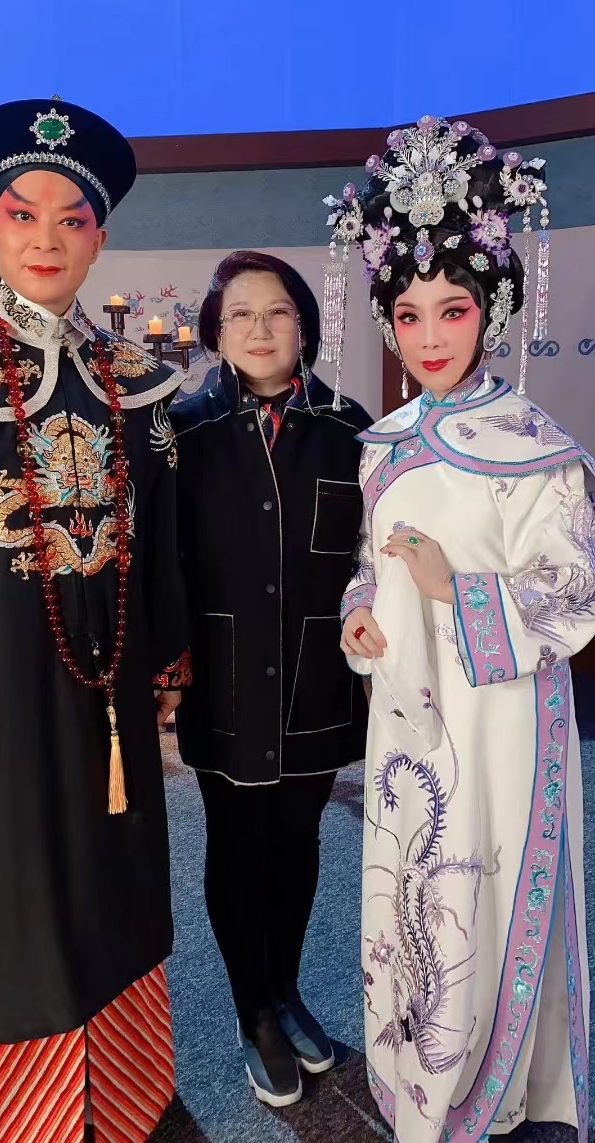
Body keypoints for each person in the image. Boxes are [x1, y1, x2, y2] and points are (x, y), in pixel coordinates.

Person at [0, 98, 191, 1143]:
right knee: (0, 905)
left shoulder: (138, 384)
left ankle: (115, 1097)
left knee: (109, 886)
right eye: (23, 214)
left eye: (72, 219)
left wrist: (165, 676)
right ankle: (3, 1116)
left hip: (107, 709)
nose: (46, 239)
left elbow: (164, 548)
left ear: (100, 236)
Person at [328, 117, 594, 1140]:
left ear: (491, 311)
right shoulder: (381, 444)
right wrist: (361, 613)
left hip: (504, 714)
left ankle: (511, 1087)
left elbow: (573, 589)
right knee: (414, 884)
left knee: (488, 883)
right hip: (408, 714)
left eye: (453, 310)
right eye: (409, 314)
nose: (430, 335)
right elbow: (368, 561)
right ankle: (421, 1067)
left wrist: (459, 589)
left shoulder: (539, 448)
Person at [170, 251, 370, 1107]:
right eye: (240, 314)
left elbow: (370, 555)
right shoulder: (181, 430)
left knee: (298, 842)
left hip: (318, 679)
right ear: (216, 333)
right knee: (236, 845)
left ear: (304, 326)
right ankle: (253, 1012)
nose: (259, 329)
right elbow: (162, 565)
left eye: (277, 311)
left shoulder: (351, 426)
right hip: (223, 681)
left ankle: (285, 990)